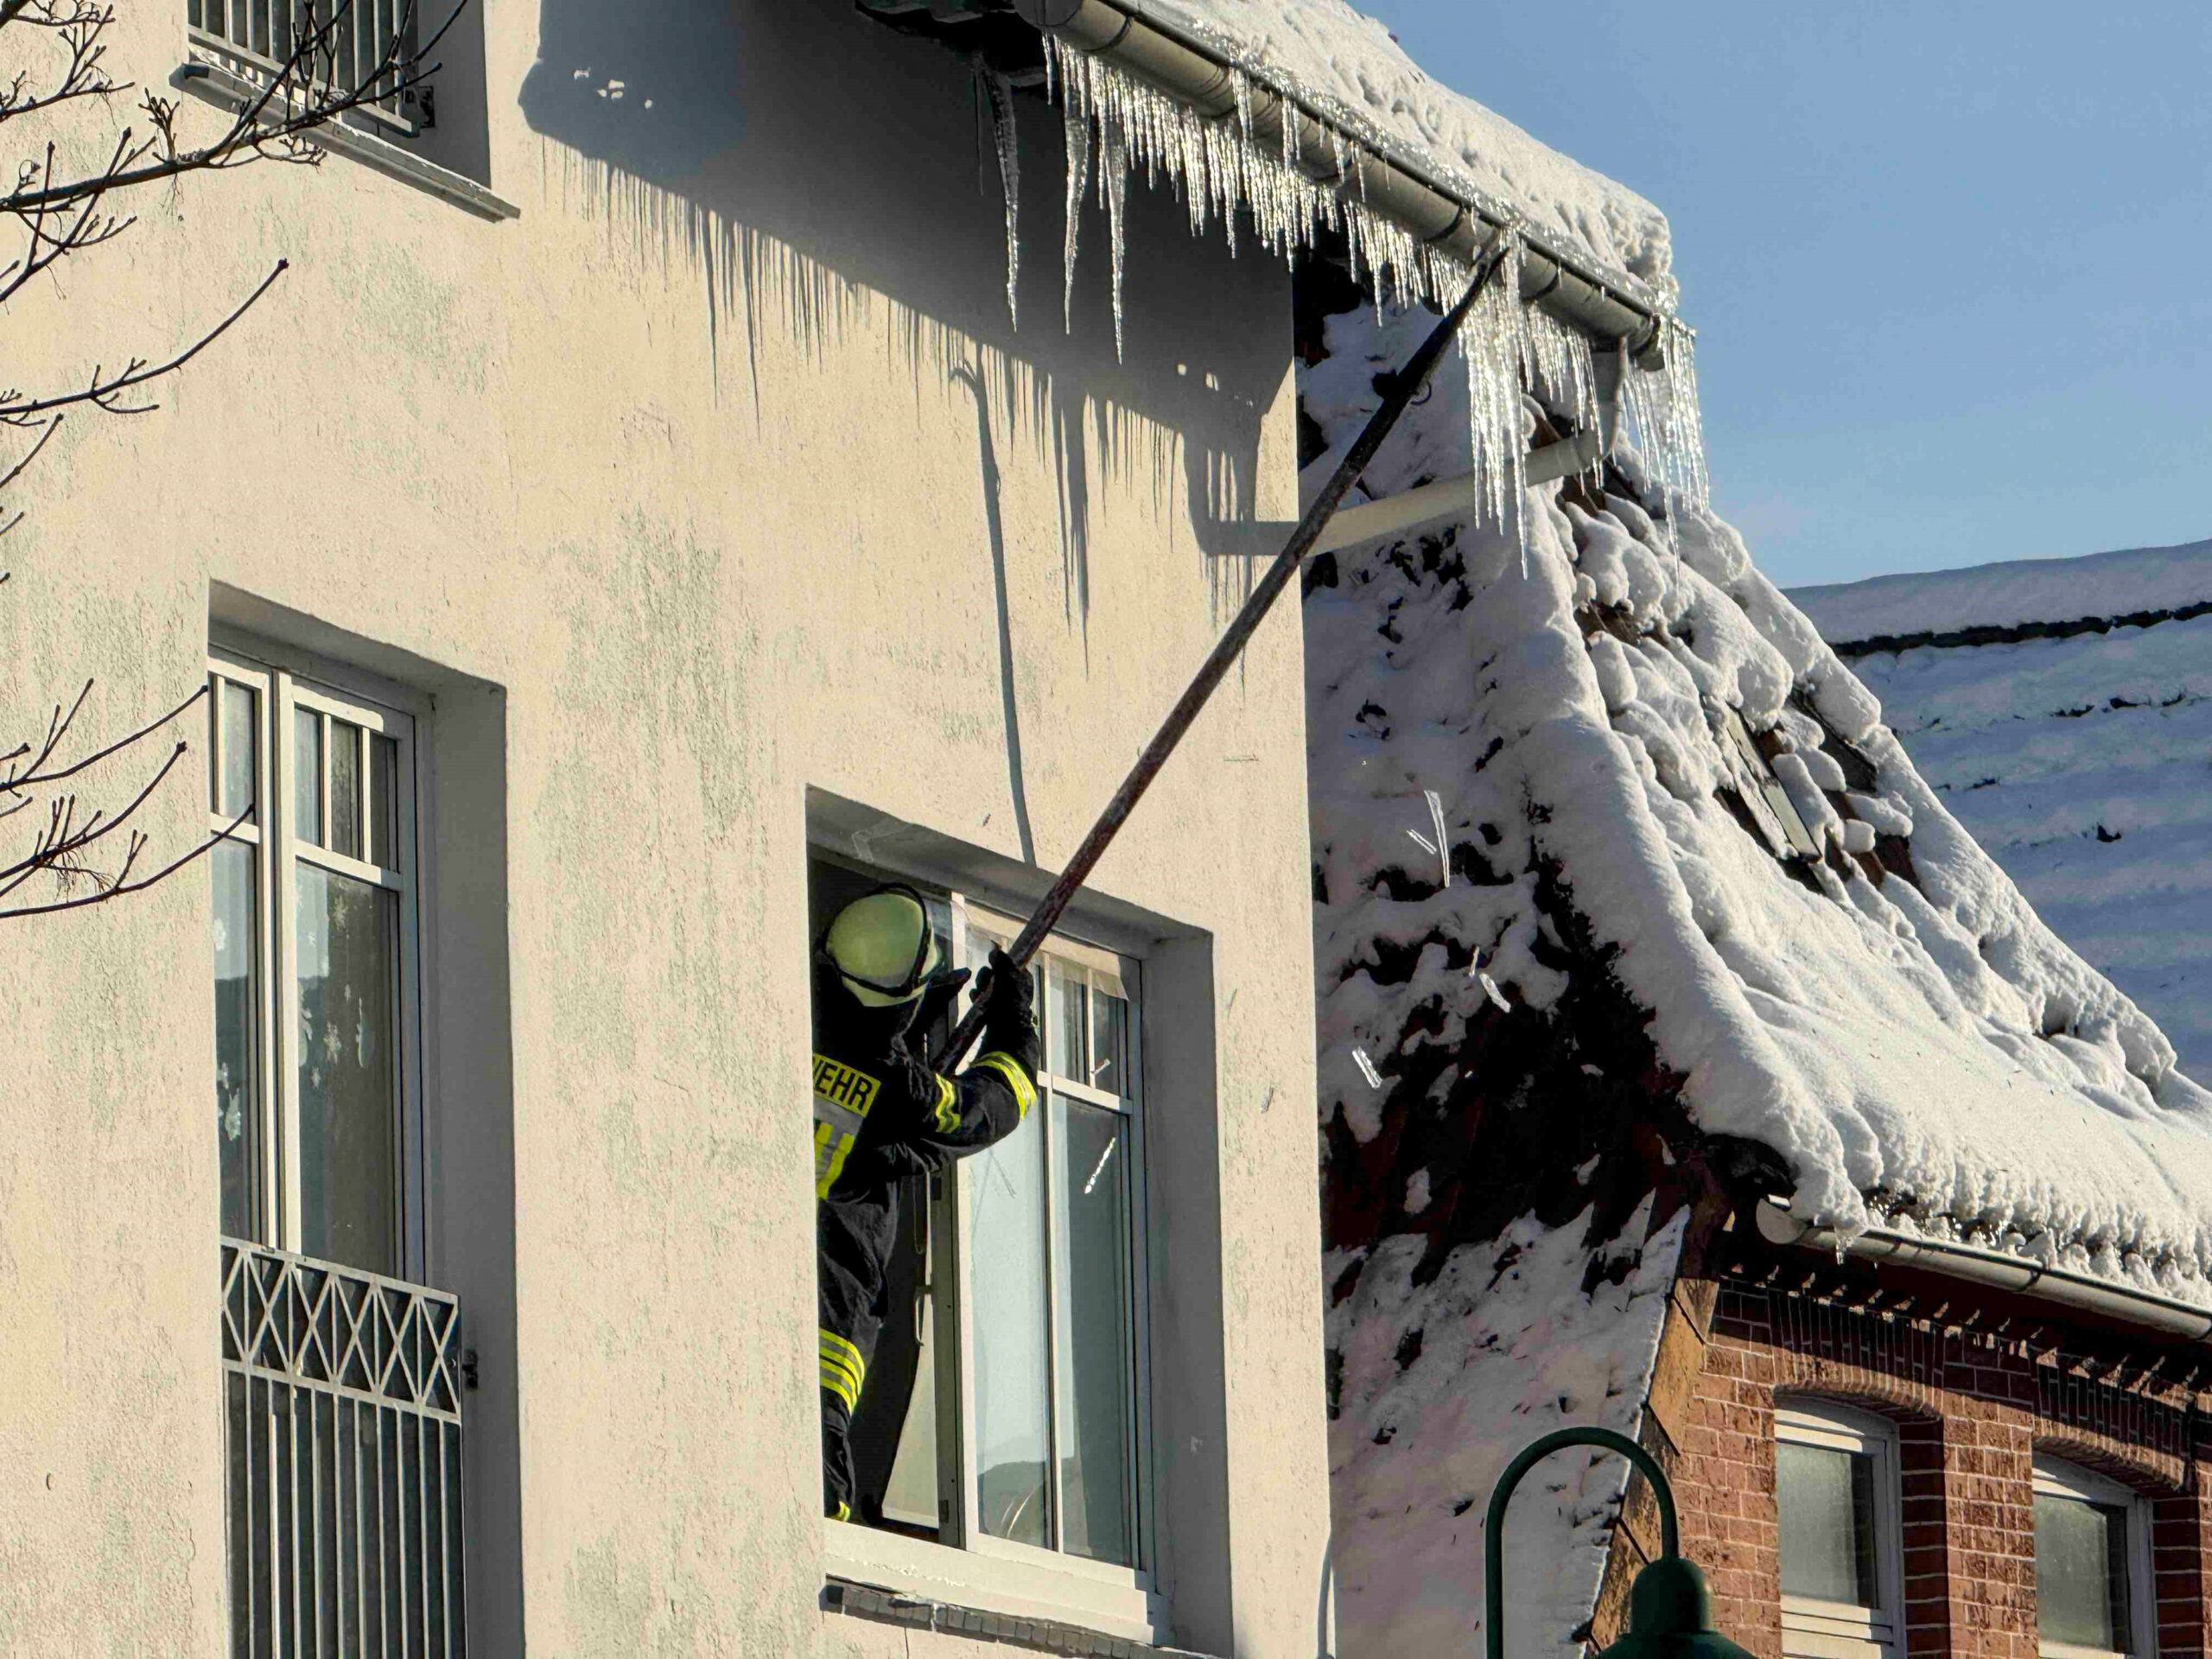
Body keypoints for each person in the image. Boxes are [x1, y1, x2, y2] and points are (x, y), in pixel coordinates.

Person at [812, 882, 1038, 1522]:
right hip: (820, 1333)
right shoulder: (897, 1094)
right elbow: (982, 1110)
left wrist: (910, 1032)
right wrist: (1014, 1025)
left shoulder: (782, 1017)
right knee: (816, 1502)